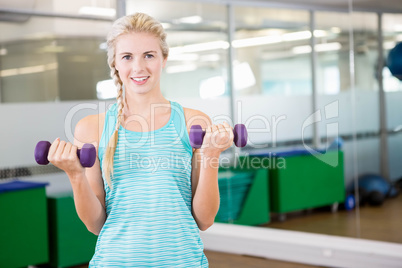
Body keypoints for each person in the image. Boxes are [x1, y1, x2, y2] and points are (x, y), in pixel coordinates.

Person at [47, 12, 234, 267]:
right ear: (115, 63)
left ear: (163, 59)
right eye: (127, 57)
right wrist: (75, 175)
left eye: (149, 55)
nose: (138, 67)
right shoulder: (92, 128)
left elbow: (205, 219)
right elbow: (95, 224)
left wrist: (211, 155)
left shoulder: (193, 123)